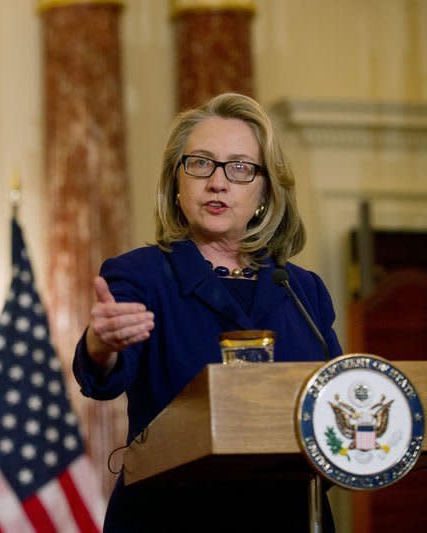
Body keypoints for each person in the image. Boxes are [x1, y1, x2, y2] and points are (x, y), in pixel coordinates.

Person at [73, 93, 343, 532]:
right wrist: (101, 345)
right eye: (201, 163)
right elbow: (106, 376)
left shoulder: (302, 289)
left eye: (239, 168)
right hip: (173, 516)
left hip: (289, 513)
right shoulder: (141, 276)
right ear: (176, 183)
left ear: (265, 189)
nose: (218, 182)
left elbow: (336, 400)